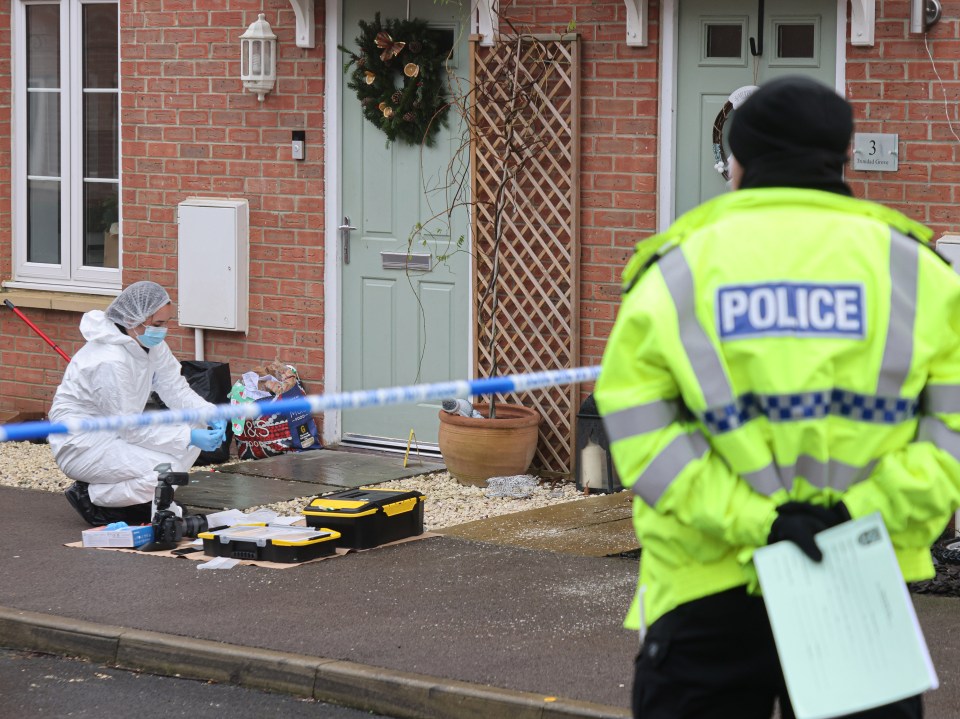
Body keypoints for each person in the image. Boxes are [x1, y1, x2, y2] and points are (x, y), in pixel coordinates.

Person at [595, 75, 960, 719]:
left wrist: (761, 523)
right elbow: (948, 438)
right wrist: (851, 516)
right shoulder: (918, 271)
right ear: (842, 158)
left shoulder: (674, 270)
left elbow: (639, 432)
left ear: (737, 161)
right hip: (856, 578)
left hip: (706, 583)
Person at [51, 281, 226, 526]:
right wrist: (187, 437)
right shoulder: (109, 361)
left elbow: (175, 389)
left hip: (117, 432)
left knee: (194, 425)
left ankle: (142, 498)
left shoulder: (149, 344)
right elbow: (130, 429)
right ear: (134, 320)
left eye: (165, 323)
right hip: (83, 444)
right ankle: (91, 496)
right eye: (158, 324)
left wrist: (210, 414)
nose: (163, 331)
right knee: (169, 469)